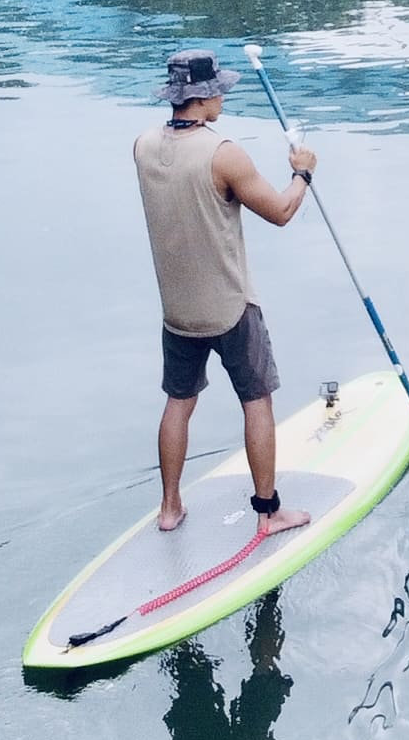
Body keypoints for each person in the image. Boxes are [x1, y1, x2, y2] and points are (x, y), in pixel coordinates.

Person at [135, 49, 318, 538]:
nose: (223, 97)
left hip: (177, 310)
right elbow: (280, 212)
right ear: (202, 95)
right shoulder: (224, 153)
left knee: (179, 401)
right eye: (218, 90)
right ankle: (267, 512)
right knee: (257, 400)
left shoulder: (143, 145)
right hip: (231, 306)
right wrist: (302, 172)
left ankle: (170, 508)